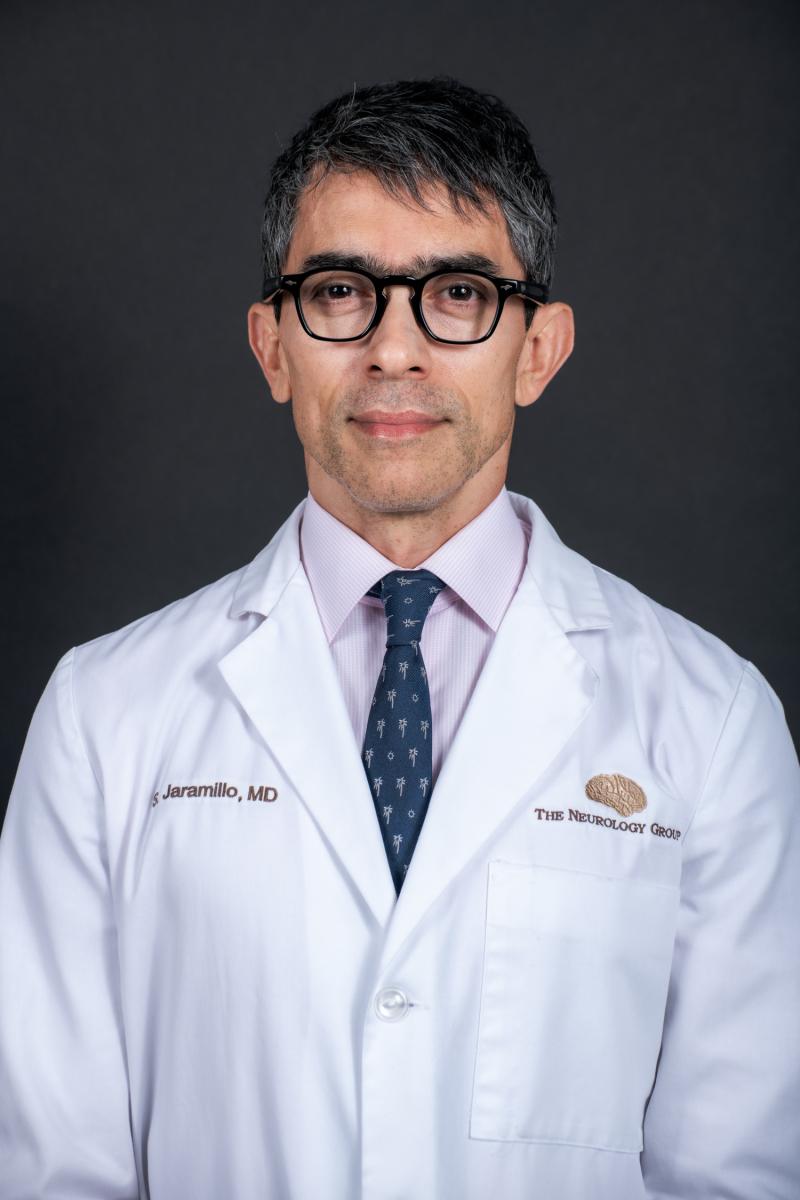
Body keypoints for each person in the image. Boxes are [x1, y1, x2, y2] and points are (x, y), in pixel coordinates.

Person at [0, 76, 798, 1200]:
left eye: (458, 294)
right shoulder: (103, 716)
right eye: (340, 292)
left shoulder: (712, 724)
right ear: (272, 346)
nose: (393, 350)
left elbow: (735, 1175)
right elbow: (50, 1171)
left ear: (539, 349)